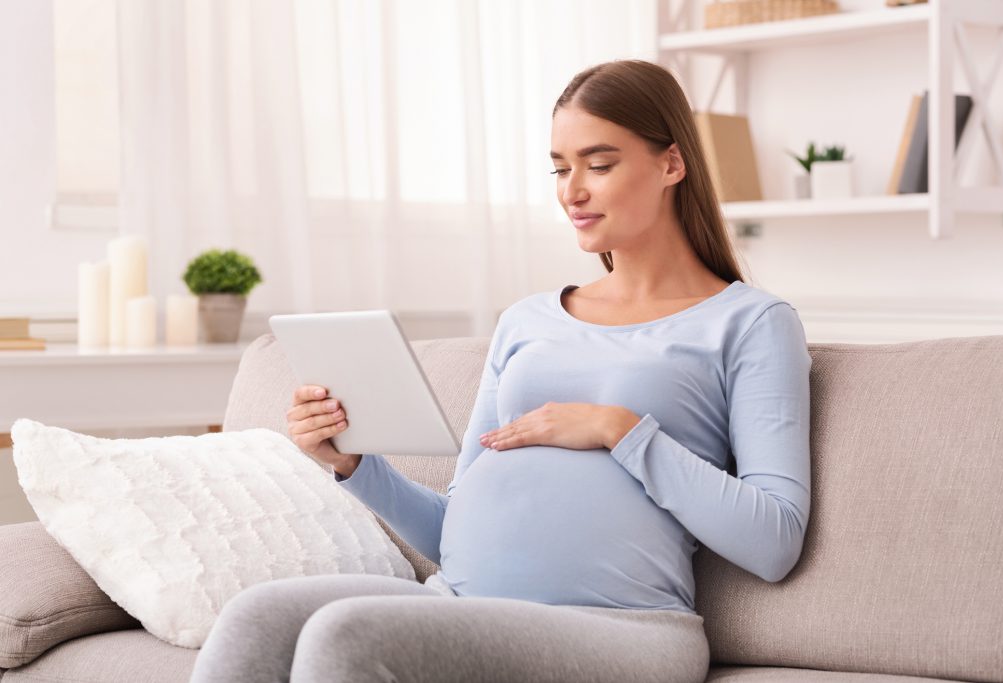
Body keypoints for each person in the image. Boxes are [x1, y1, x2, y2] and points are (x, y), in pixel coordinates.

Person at [190, 59, 811, 683]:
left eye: (599, 164)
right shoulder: (526, 322)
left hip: (624, 630)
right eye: (559, 168)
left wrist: (618, 430)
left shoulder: (751, 322)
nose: (573, 191)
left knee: (345, 634)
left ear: (672, 164)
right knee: (256, 616)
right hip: (460, 603)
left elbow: (774, 541)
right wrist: (352, 465)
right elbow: (452, 530)